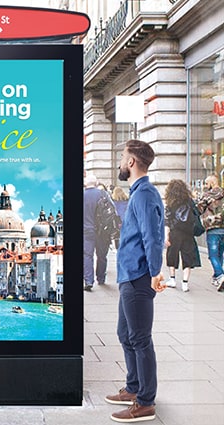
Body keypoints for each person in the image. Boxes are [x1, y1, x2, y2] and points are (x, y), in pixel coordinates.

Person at [105, 139, 165, 423]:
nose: (119, 162)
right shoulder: (139, 192)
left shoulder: (144, 195)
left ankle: (145, 402)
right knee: (124, 333)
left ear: (131, 162)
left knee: (140, 338)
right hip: (129, 274)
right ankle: (133, 387)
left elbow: (152, 237)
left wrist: (156, 272)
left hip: (139, 276)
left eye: (122, 157)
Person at [163, 180, 201, 293]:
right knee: (188, 256)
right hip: (188, 233)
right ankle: (185, 283)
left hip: (175, 233)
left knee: (172, 255)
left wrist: (166, 236)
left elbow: (167, 221)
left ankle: (172, 279)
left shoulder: (170, 203)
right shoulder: (189, 201)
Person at [83, 174, 113, 290]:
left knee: (87, 255)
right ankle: (101, 278)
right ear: (96, 184)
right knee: (102, 255)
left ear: (86, 184)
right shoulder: (103, 194)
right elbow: (112, 210)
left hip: (86, 230)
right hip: (102, 231)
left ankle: (88, 281)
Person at [196, 174, 224, 292]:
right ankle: (216, 277)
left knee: (213, 255)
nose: (205, 186)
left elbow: (198, 209)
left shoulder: (208, 195)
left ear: (212, 184)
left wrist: (199, 196)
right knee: (219, 254)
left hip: (212, 228)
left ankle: (220, 275)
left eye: (206, 184)